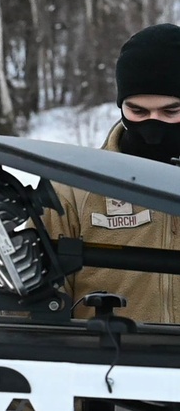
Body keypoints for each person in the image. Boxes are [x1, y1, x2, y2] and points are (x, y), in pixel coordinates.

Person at [43, 23, 180, 323]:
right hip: (106, 365)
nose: (153, 127)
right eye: (138, 112)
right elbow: (37, 309)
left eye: (171, 112)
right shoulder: (73, 188)